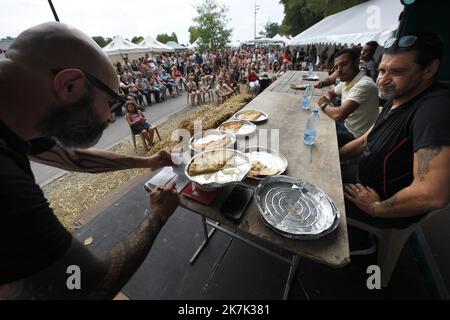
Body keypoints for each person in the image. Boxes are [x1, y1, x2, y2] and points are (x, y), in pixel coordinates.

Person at [0, 22, 179, 299]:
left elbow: (73, 159)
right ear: (69, 84)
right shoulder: (7, 184)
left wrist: (148, 162)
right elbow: (89, 285)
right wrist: (157, 215)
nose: (110, 117)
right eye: (111, 104)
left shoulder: (14, 116)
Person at [340, 32, 450, 229]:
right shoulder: (401, 94)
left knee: (310, 194)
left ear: (429, 69)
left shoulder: (434, 111)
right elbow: (366, 139)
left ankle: (363, 245)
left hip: (383, 208)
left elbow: (433, 193)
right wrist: (334, 156)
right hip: (362, 183)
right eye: (382, 71)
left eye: (397, 71)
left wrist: (376, 208)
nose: (382, 80)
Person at [318, 49, 379, 147]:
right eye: (336, 67)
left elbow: (339, 115)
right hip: (346, 125)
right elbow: (330, 92)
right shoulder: (346, 81)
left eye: (344, 64)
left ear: (356, 62)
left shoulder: (364, 85)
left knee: (317, 138)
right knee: (316, 124)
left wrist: (324, 105)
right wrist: (329, 101)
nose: (339, 70)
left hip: (356, 136)